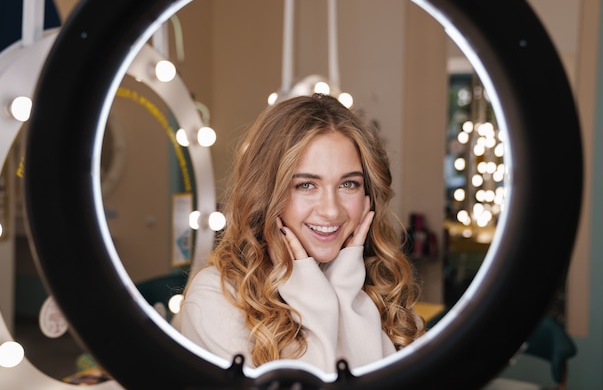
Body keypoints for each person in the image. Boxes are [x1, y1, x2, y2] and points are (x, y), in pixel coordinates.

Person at [179, 94, 424, 374]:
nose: (331, 211)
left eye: (349, 184)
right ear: (266, 192)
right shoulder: (217, 298)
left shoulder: (383, 287)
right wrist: (316, 296)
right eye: (306, 185)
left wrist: (347, 290)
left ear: (368, 195)